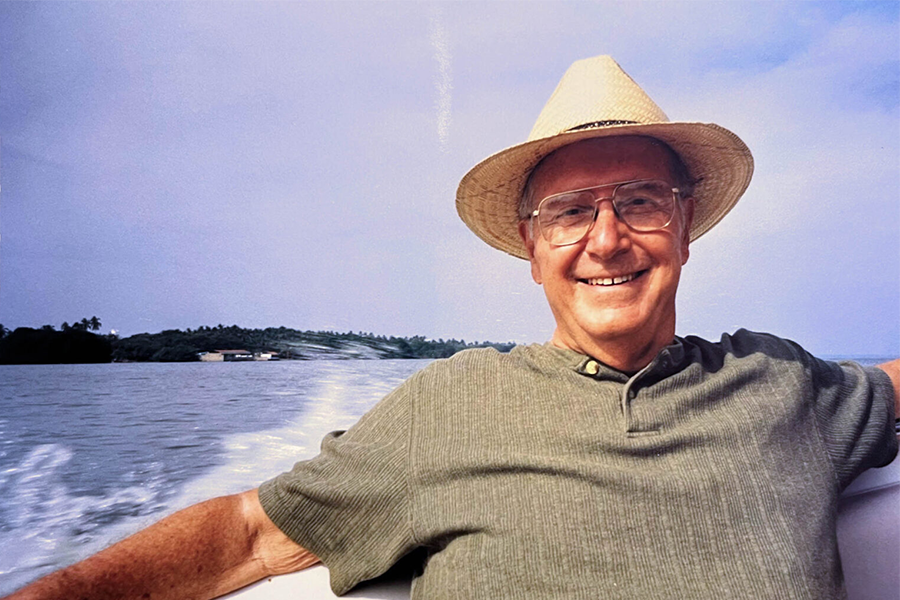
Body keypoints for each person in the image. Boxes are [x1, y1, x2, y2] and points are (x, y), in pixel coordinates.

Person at [6, 55, 899, 600]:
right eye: (570, 212)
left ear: (685, 229)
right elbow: (247, 534)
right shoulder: (449, 405)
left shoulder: (788, 387)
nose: (606, 238)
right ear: (532, 245)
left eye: (640, 202)